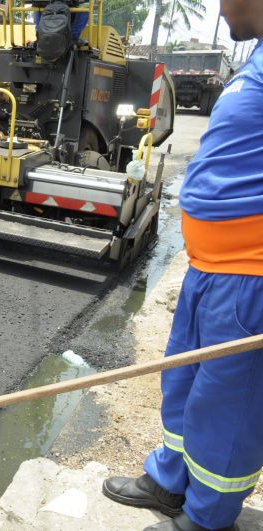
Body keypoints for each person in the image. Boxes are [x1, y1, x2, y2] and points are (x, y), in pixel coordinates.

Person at [101, 1, 263, 530]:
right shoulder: (256, 58)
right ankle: (170, 480)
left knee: (227, 405)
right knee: (184, 382)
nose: (219, 6)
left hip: (248, 276)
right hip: (207, 269)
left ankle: (207, 517)